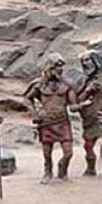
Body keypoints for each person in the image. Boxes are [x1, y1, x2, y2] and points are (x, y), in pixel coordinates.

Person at [23, 53, 79, 184]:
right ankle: (48, 171)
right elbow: (27, 99)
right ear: (49, 67)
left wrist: (85, 102)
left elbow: (73, 105)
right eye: (56, 66)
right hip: (46, 122)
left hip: (62, 122)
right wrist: (35, 114)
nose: (60, 69)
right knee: (47, 152)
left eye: (61, 67)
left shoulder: (67, 84)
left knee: (68, 153)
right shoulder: (39, 85)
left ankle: (63, 169)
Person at [76, 50, 102, 180]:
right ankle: (90, 168)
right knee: (88, 145)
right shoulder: (84, 81)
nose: (85, 63)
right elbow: (77, 100)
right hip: (90, 117)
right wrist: (88, 90)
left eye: (88, 60)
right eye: (83, 61)